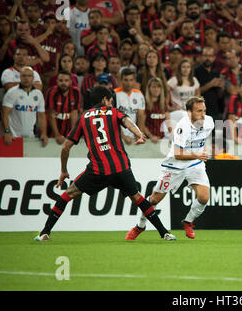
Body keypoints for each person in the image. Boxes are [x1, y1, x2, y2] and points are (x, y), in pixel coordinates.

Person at [34, 86, 176, 242]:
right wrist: (139, 134)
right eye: (110, 100)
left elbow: (66, 147)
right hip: (120, 167)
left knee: (67, 195)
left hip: (97, 170)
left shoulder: (84, 117)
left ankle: (44, 233)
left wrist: (63, 170)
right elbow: (127, 121)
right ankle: (164, 233)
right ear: (104, 100)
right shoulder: (114, 112)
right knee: (138, 198)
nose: (111, 103)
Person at [125, 96, 214, 240]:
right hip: (175, 165)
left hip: (194, 164)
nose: (203, 115)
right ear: (189, 112)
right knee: (154, 200)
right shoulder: (182, 127)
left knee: (204, 197)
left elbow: (201, 139)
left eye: (204, 110)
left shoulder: (209, 122)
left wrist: (200, 155)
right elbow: (178, 154)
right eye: (199, 111)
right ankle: (140, 226)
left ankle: (188, 221)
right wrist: (197, 156)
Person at [2, 67, 48, 146]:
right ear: (20, 77)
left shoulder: (38, 94)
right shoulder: (12, 92)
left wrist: (43, 133)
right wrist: (7, 132)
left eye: (29, 76)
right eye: (24, 76)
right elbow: (4, 113)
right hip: (13, 137)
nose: (26, 78)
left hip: (30, 137)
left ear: (33, 78)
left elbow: (41, 116)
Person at [45, 71, 82, 145]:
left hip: (68, 131)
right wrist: (57, 135)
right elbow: (51, 114)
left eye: (66, 80)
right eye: (61, 80)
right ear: (57, 81)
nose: (63, 83)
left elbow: (74, 114)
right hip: (52, 133)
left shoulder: (76, 92)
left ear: (70, 81)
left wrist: (72, 136)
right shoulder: (52, 92)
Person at [114, 68, 145, 145]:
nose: (128, 83)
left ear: (134, 81)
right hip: (118, 137)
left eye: (131, 80)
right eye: (126, 80)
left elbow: (141, 116)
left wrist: (139, 134)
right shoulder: (115, 94)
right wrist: (123, 136)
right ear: (121, 80)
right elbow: (114, 118)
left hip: (134, 136)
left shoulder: (139, 94)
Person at [194, 46, 225, 119]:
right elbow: (194, 93)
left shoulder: (216, 73)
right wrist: (210, 84)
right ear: (201, 57)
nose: (208, 58)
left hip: (216, 111)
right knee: (203, 130)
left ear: (214, 58)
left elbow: (219, 95)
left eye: (210, 56)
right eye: (205, 55)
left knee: (219, 130)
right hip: (201, 113)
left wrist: (221, 88)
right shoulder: (195, 71)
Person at [139, 77, 171, 143]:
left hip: (161, 139)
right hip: (148, 140)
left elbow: (168, 121)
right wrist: (151, 136)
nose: (156, 89)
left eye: (158, 87)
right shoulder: (144, 103)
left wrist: (172, 135)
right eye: (154, 87)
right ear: (149, 88)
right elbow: (142, 125)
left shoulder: (163, 103)